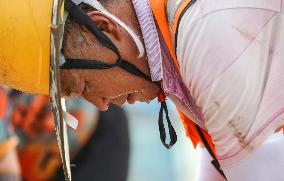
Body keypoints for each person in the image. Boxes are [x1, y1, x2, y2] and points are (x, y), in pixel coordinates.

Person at [59, 0, 284, 180]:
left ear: (102, 26)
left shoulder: (202, 34)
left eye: (84, 85)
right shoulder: (170, 44)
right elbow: (224, 162)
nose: (101, 104)